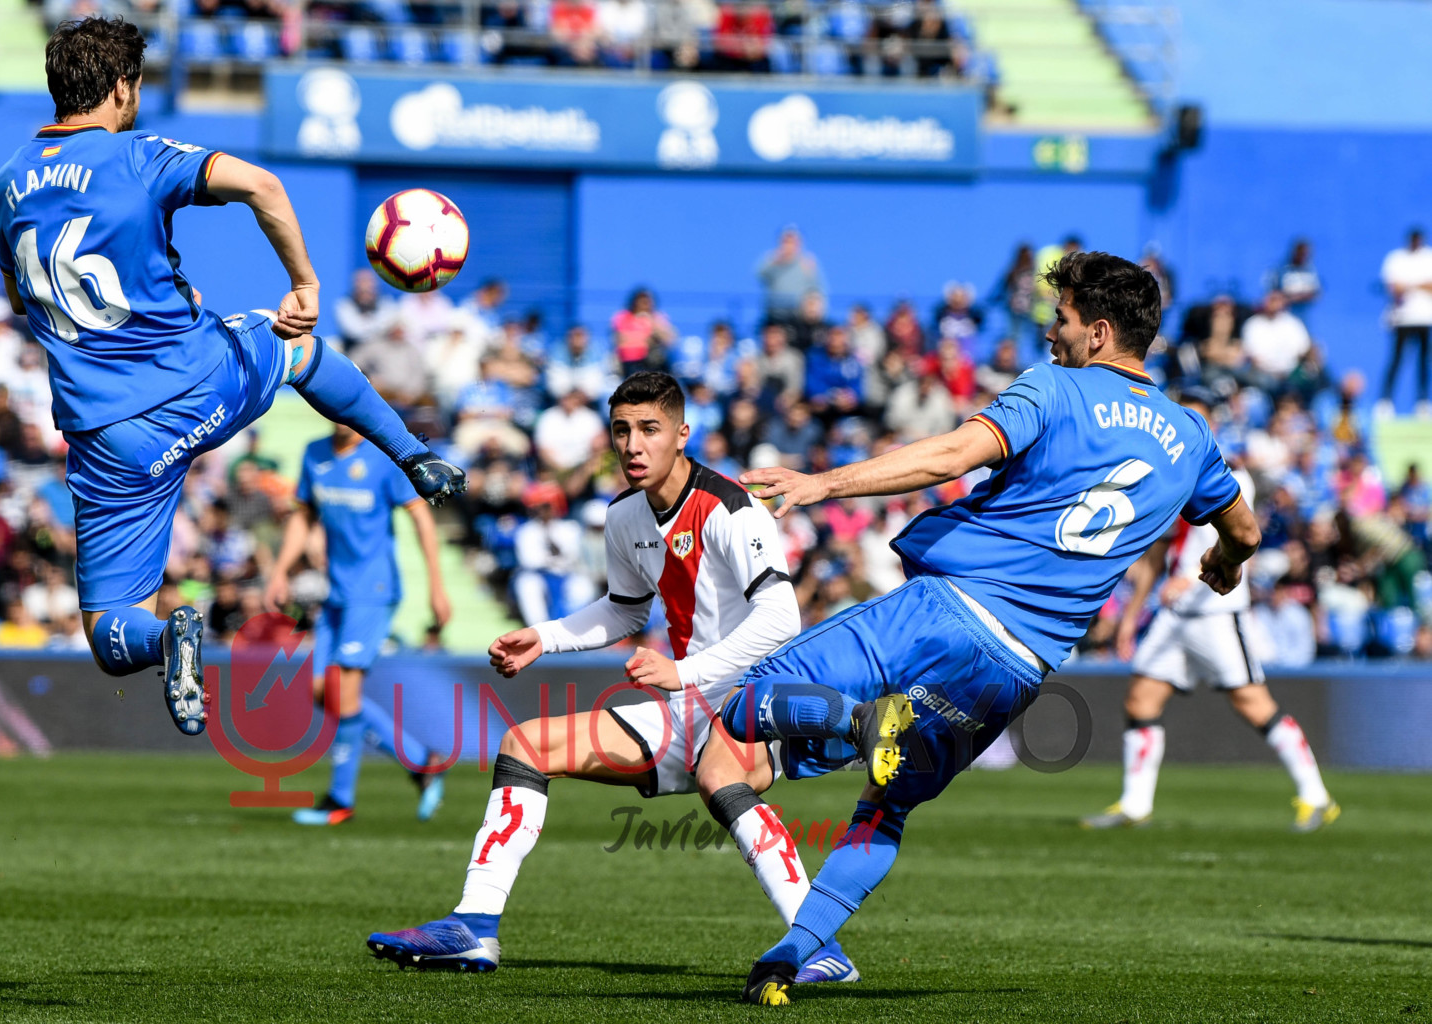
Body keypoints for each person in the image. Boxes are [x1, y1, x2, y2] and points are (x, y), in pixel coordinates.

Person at [695, 251, 1261, 1005]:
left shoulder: (1057, 388)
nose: (1049, 334)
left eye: (1060, 320)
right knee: (886, 808)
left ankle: (859, 723)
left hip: (947, 611)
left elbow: (955, 453)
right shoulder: (1191, 437)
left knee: (743, 704)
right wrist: (1223, 561)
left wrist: (824, 482)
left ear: (1098, 333)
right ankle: (792, 955)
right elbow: (1246, 531)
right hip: (1018, 669)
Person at [0, 17, 465, 738]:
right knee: (295, 349)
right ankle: (414, 455)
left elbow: (21, 295)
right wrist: (304, 284)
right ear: (120, 88)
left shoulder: (8, 183)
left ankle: (168, 637)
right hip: (198, 382)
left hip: (110, 438)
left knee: (109, 633)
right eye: (135, 85)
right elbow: (261, 186)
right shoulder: (136, 156)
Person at [365, 372, 859, 986]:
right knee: (526, 744)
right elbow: (626, 609)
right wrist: (545, 637)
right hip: (687, 706)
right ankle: (474, 924)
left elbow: (781, 618)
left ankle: (818, 945)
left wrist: (683, 670)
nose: (633, 445)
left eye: (649, 429)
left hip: (757, 702)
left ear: (682, 434)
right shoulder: (625, 513)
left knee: (720, 776)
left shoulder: (733, 508)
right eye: (622, 430)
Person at [1082, 388, 1337, 833]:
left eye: (1195, 416)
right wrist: (1132, 615)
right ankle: (1135, 804)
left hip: (1217, 611)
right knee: (1141, 698)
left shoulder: (1233, 475)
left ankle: (1317, 796)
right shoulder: (1166, 471)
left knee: (1253, 703)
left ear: (1212, 424)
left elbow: (1240, 536)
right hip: (1175, 615)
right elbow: (1158, 553)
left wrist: (1189, 577)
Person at [266, 424, 454, 825]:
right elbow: (303, 515)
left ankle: (339, 800)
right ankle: (422, 761)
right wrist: (280, 570)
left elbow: (421, 517)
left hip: (373, 590)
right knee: (323, 692)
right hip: (336, 592)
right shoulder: (315, 453)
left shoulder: (383, 458)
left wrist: (437, 586)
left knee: (344, 691)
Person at [1378, 227, 1432, 418]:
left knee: (1424, 362)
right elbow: (1393, 287)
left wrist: (1409, 284)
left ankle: (1422, 402)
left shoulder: (1429, 257)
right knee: (1396, 360)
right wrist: (1419, 284)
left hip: (1425, 318)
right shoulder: (1396, 258)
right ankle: (1385, 401)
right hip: (1402, 318)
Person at [756, 226, 824, 325]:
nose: (788, 245)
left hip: (798, 316)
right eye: (785, 242)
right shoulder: (773, 260)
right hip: (773, 314)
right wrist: (774, 260)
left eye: (792, 242)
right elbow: (759, 275)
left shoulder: (806, 264)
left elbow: (817, 289)